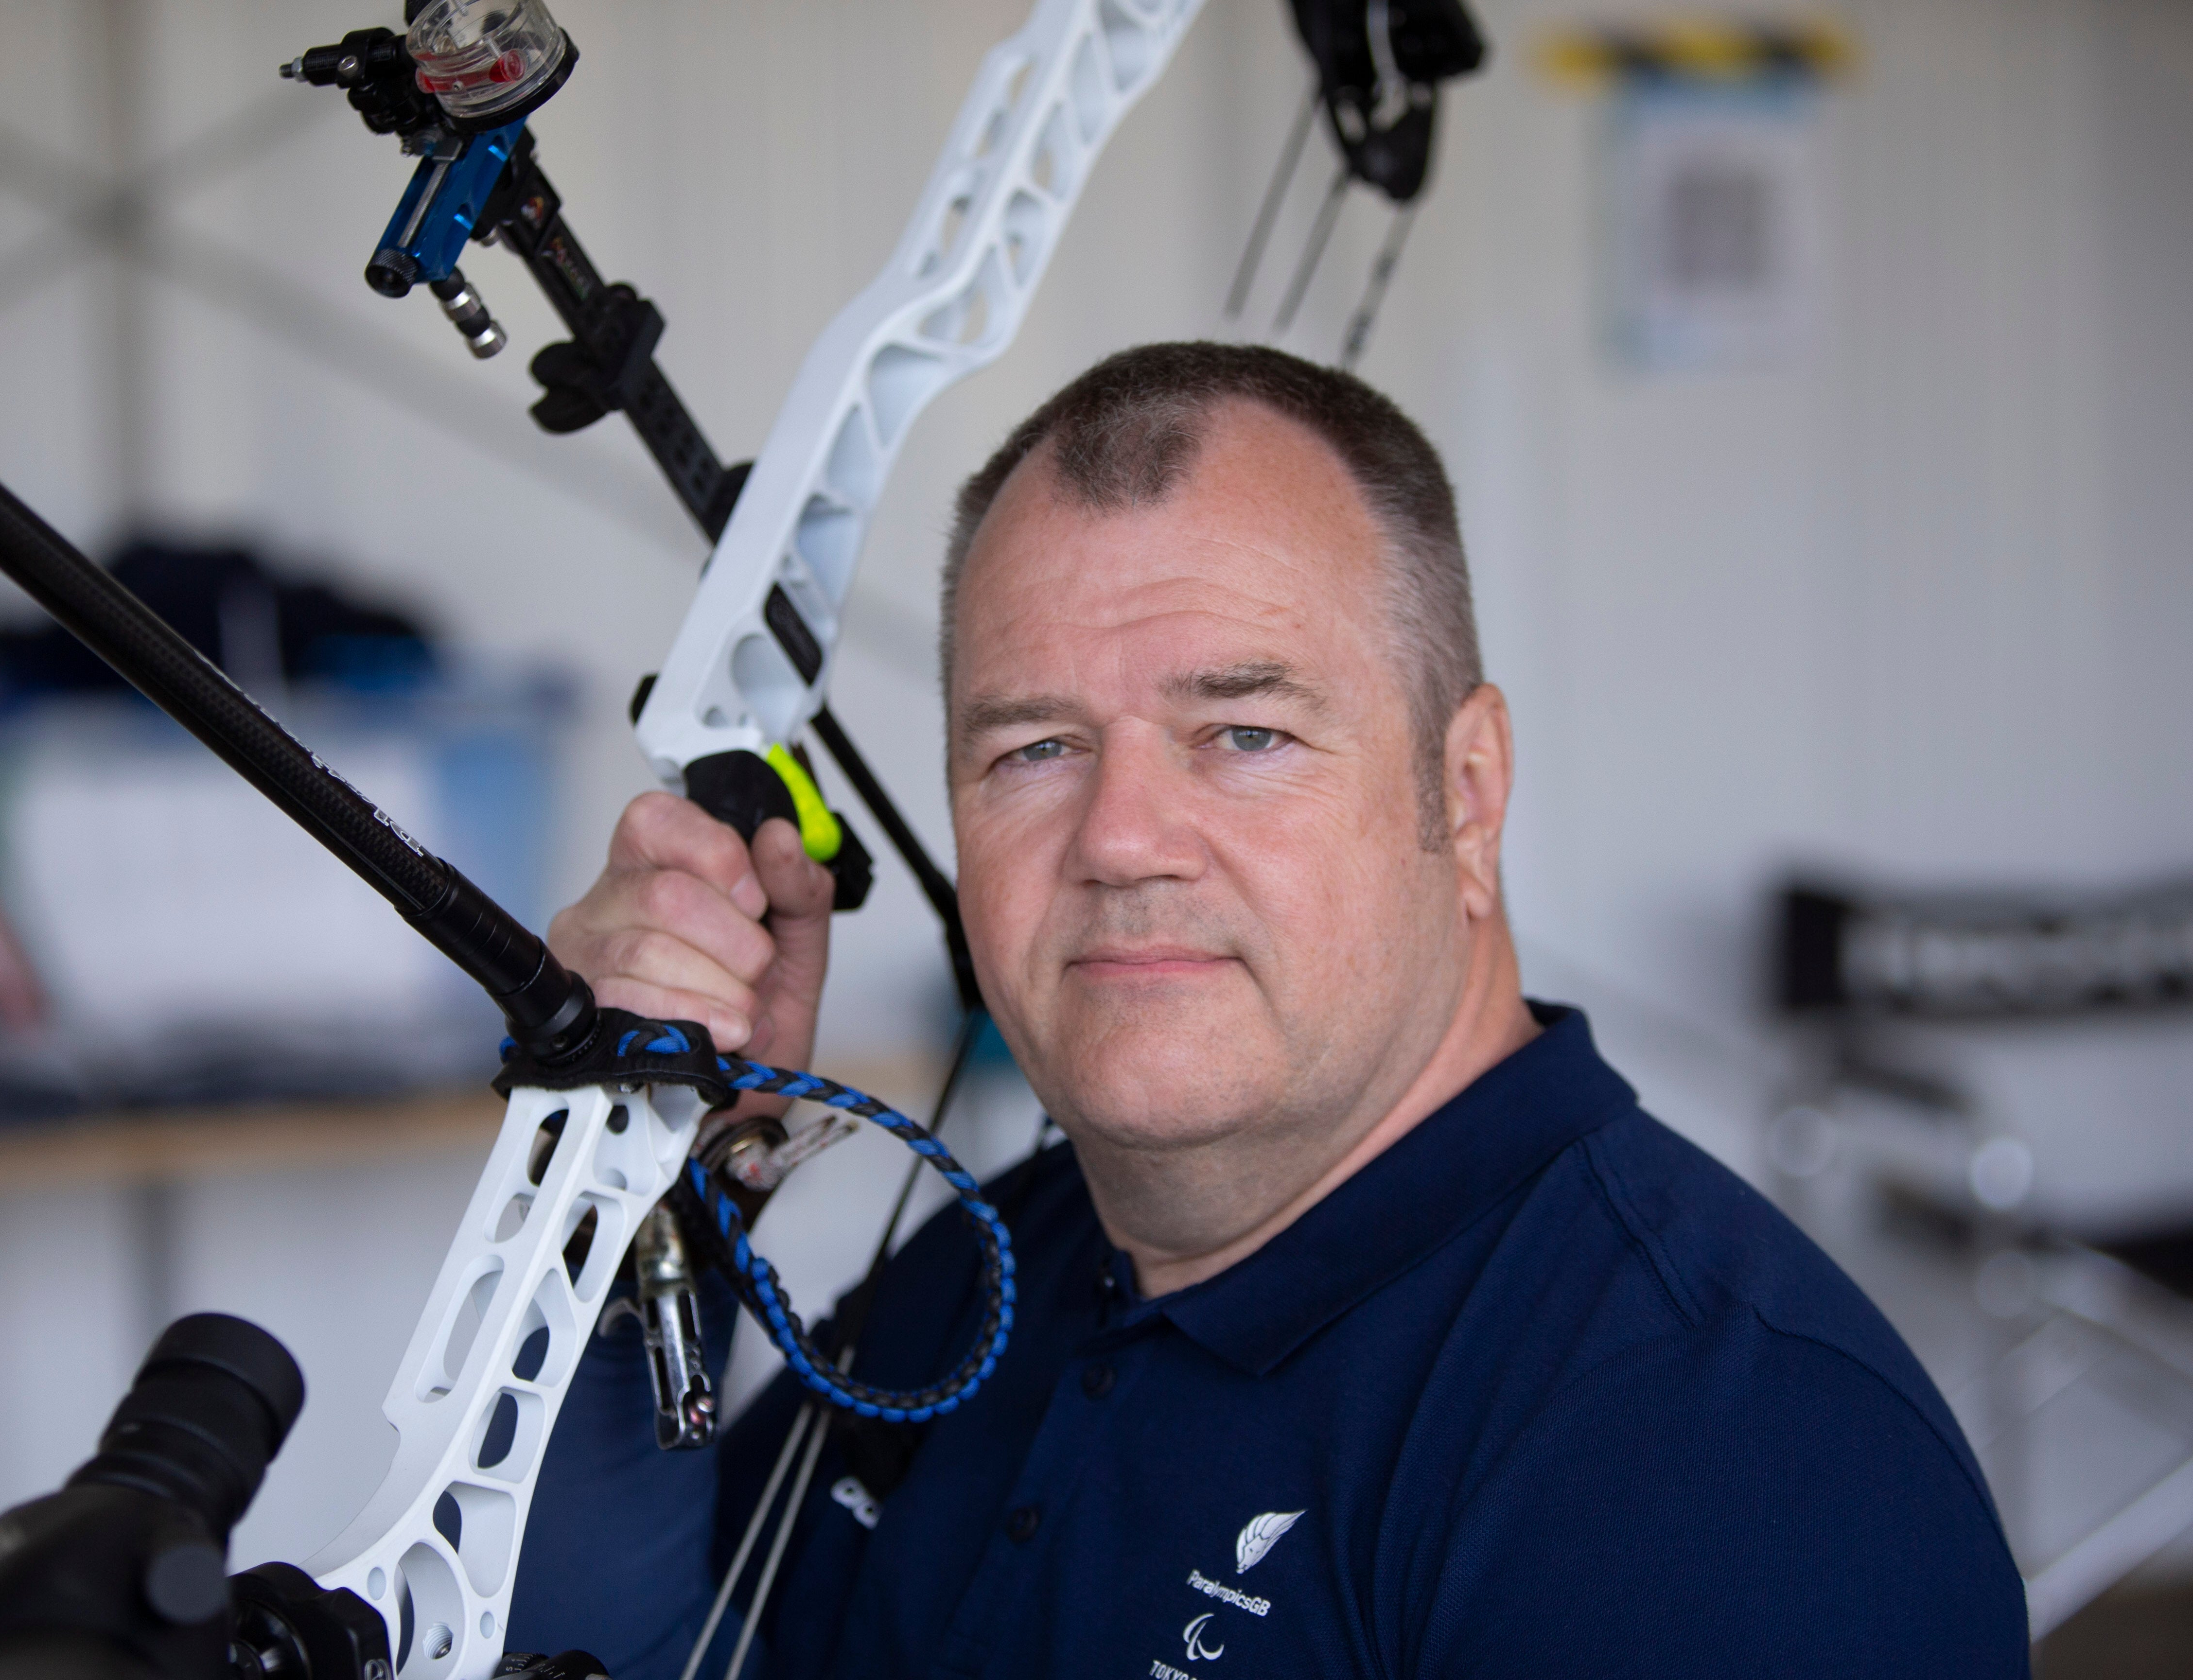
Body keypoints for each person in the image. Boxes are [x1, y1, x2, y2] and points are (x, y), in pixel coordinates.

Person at [509, 343, 2028, 1677]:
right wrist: (653, 1166)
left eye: (1244, 731)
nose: (1117, 839)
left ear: (1467, 793)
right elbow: (617, 1655)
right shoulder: (995, 1272)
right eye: (1033, 749)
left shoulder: (1725, 1464)